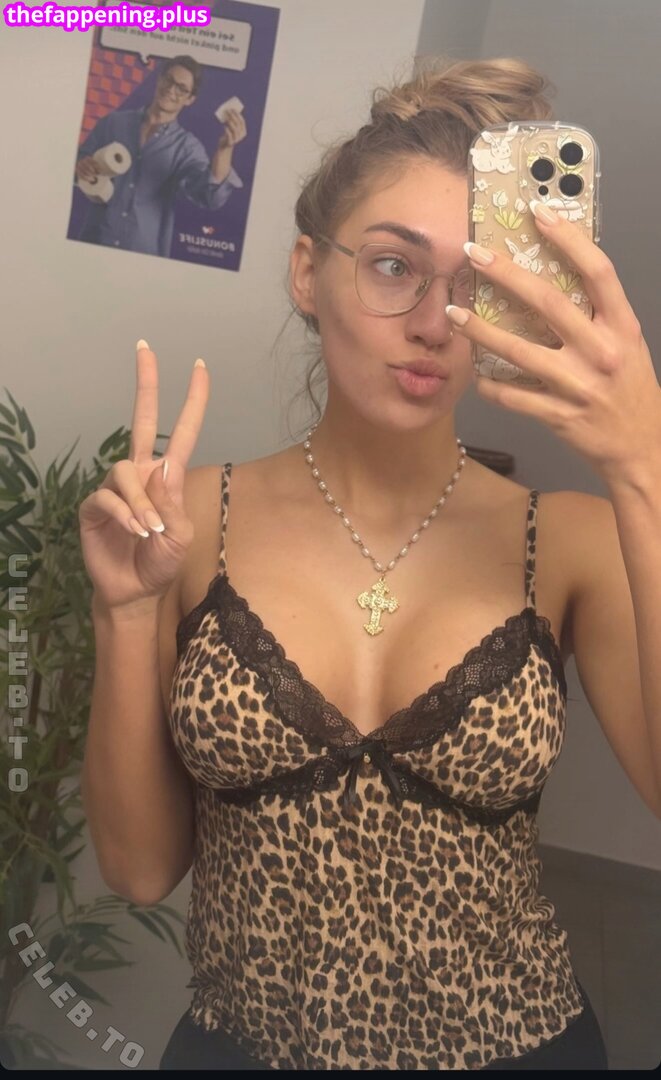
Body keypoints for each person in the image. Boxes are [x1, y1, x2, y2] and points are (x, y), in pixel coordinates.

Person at [79, 56, 626, 1070]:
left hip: (521, 1045)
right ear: (307, 271)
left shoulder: (571, 540)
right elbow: (140, 871)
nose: (431, 324)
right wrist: (121, 612)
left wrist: (643, 462)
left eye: (473, 286)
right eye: (391, 265)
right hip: (240, 1047)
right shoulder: (184, 526)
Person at [74, 55, 245, 257]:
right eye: (168, 80)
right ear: (159, 79)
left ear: (190, 99)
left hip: (142, 255)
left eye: (181, 88)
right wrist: (81, 167)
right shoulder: (113, 122)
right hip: (94, 241)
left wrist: (225, 149)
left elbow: (209, 197)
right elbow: (75, 165)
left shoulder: (187, 148)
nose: (171, 89)